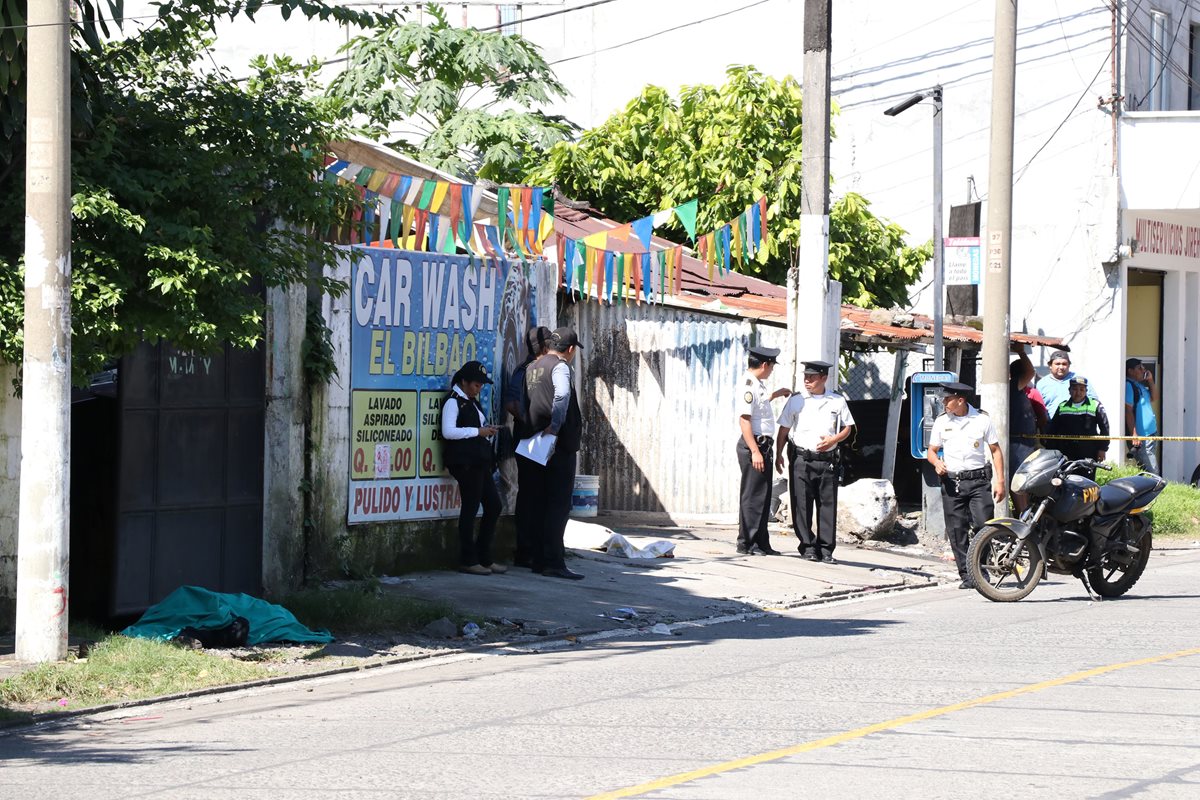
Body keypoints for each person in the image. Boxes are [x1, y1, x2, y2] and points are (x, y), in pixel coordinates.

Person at [926, 382, 1005, 589]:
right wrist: (937, 463)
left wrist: (1001, 481)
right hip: (953, 482)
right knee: (957, 529)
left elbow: (995, 450)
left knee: (983, 525)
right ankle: (967, 575)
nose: (944, 402)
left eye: (947, 399)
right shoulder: (942, 422)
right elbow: (931, 451)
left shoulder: (981, 420)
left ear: (960, 400)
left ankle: (980, 570)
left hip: (978, 481)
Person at [775, 360, 854, 563]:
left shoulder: (837, 401)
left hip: (827, 461)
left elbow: (847, 428)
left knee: (827, 505)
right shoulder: (796, 400)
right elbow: (784, 429)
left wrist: (833, 439)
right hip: (802, 459)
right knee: (801, 504)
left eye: (812, 377)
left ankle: (826, 549)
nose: (807, 381)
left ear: (824, 378)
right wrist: (779, 454)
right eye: (805, 377)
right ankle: (808, 546)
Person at [524, 327, 585, 580]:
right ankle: (553, 562)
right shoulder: (560, 367)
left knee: (538, 503)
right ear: (570, 349)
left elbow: (525, 401)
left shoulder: (532, 368)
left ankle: (538, 559)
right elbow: (562, 396)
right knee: (558, 505)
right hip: (556, 445)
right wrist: (556, 426)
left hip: (534, 444)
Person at [440, 360, 505, 576]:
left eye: (481, 386)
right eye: (476, 385)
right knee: (470, 508)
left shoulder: (471, 401)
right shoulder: (453, 401)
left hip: (479, 461)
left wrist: (486, 430)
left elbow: (475, 428)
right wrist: (478, 432)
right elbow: (449, 432)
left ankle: (484, 557)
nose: (479, 389)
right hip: (464, 462)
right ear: (464, 382)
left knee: (494, 506)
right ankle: (468, 559)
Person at [735, 345, 791, 556]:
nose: (772, 370)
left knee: (763, 495)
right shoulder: (748, 386)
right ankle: (747, 543)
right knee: (752, 496)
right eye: (772, 366)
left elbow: (758, 407)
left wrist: (776, 394)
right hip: (755, 446)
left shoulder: (757, 384)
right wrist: (755, 451)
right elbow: (745, 420)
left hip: (763, 445)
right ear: (765, 364)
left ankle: (761, 542)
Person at [505, 326, 552, 567]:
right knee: (530, 495)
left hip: (541, 440)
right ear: (543, 347)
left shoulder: (544, 369)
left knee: (539, 495)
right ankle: (525, 551)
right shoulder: (525, 371)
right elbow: (512, 403)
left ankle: (536, 548)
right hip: (528, 440)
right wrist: (531, 421)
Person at [1048, 375, 1110, 474]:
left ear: (1086, 391)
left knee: (1086, 482)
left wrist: (1103, 449)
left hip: (1088, 451)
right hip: (1066, 452)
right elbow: (1053, 429)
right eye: (1075, 389)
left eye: (1082, 389)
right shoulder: (1062, 406)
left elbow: (1105, 429)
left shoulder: (1095, 405)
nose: (1078, 392)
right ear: (1069, 390)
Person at [1009, 347, 1040, 513]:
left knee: (1026, 479)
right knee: (1019, 479)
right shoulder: (1013, 386)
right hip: (1017, 443)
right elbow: (1030, 371)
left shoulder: (1018, 390)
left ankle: (1026, 512)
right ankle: (1023, 516)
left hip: (1025, 442)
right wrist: (1021, 351)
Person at [1125, 358, 1160, 475]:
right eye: (1140, 368)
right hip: (1141, 436)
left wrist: (1150, 380)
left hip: (1151, 433)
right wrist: (1134, 434)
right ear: (1130, 371)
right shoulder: (1128, 385)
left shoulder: (1139, 385)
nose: (1143, 370)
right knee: (1152, 471)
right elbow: (1128, 411)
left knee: (1149, 469)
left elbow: (1154, 397)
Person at [1036, 349, 1093, 419]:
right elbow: (1037, 408)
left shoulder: (1079, 380)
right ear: (1050, 365)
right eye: (1057, 364)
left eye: (1064, 364)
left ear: (1069, 365)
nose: (1061, 367)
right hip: (1051, 426)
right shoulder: (1042, 384)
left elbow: (1093, 401)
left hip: (1078, 425)